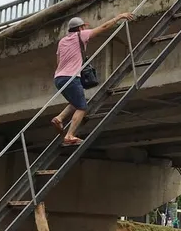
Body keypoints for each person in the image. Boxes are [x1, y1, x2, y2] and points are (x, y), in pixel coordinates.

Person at [50, 12, 134, 146]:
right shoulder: (81, 35)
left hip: (58, 78)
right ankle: (69, 135)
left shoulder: (62, 41)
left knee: (76, 101)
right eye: (83, 27)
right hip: (71, 77)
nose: (84, 29)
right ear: (79, 28)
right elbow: (103, 27)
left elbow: (59, 60)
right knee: (82, 107)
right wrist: (119, 17)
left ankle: (59, 118)